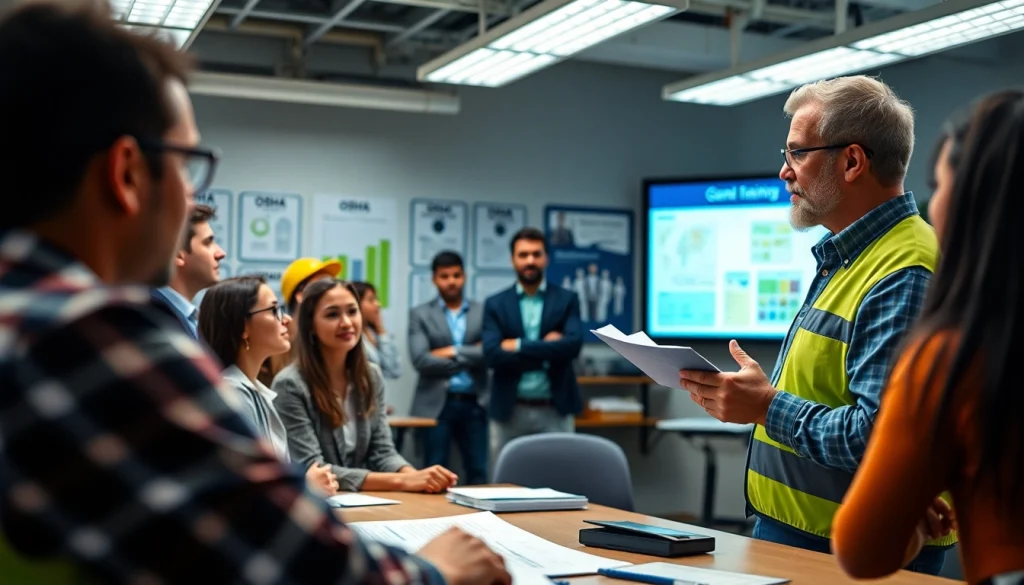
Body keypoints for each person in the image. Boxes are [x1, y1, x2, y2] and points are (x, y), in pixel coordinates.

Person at [0, 3, 509, 583]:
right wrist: (435, 571)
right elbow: (302, 564)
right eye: (188, 165)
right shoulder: (93, 337)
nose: (191, 199)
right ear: (127, 174)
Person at [676, 75, 955, 573]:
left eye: (797, 154)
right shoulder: (852, 255)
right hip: (808, 536)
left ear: (851, 161)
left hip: (853, 550)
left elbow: (875, 436)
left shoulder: (902, 271)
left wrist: (766, 406)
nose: (784, 172)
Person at [833, 91, 1024, 585]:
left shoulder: (954, 356)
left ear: (974, 202)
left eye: (939, 184)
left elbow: (863, 551)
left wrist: (907, 515)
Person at [273, 279, 460, 493]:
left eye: (352, 311)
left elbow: (382, 452)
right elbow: (314, 469)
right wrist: (403, 481)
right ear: (311, 326)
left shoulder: (371, 375)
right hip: (321, 504)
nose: (346, 323)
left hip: (365, 502)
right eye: (332, 315)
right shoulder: (290, 384)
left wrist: (416, 476)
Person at [198, 276, 339, 496]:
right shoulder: (234, 393)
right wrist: (305, 483)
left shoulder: (251, 389)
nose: (286, 320)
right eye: (274, 311)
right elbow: (247, 488)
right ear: (243, 326)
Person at [483, 227, 584, 454]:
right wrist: (549, 351)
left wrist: (518, 345)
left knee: (560, 483)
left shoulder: (567, 299)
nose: (530, 260)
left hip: (555, 409)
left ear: (546, 258)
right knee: (504, 485)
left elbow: (573, 346)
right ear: (513, 260)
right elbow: (491, 355)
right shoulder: (495, 304)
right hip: (509, 411)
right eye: (523, 254)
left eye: (536, 254)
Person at [409, 251, 490, 486]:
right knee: (434, 470)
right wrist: (470, 353)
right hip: (436, 406)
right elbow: (421, 360)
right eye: (444, 276)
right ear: (434, 279)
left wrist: (453, 351)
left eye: (456, 275)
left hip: (475, 402)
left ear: (464, 276)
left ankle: (481, 523)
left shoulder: (482, 312)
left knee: (478, 471)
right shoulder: (420, 314)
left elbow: (490, 354)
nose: (451, 281)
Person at [260, 256, 341, 385]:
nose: (334, 292)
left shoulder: (337, 337)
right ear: (301, 296)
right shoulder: (277, 341)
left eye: (332, 283)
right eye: (323, 285)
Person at [151, 202, 226, 339]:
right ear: (178, 254)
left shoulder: (184, 317)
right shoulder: (155, 319)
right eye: (208, 243)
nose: (221, 253)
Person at [352, 280, 403, 380]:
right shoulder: (350, 336)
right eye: (371, 300)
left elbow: (394, 370)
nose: (378, 304)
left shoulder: (374, 333)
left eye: (376, 299)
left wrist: (380, 329)